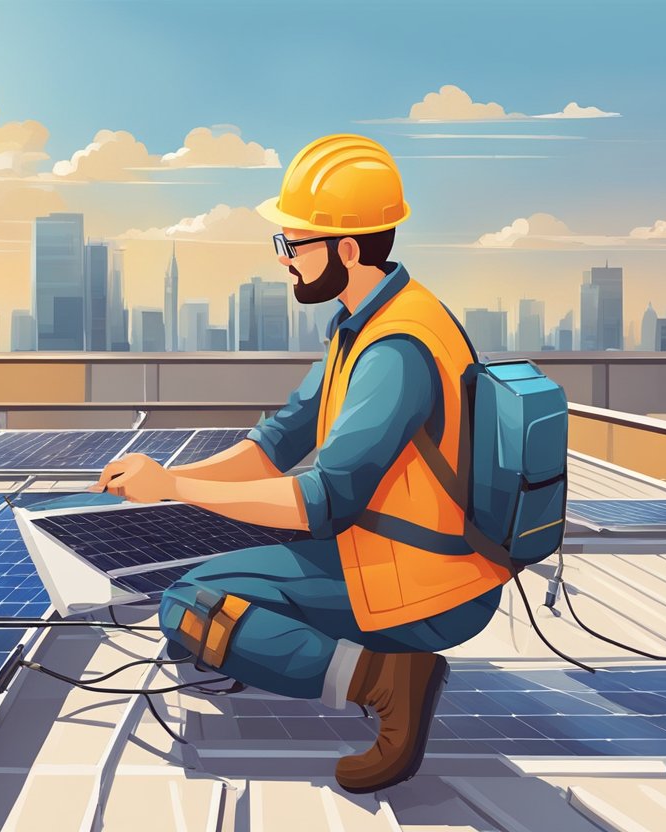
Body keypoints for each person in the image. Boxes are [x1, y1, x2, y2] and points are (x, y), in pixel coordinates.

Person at [88, 134, 511, 794]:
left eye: (292, 245)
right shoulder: (363, 325)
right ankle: (279, 649)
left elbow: (326, 498)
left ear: (347, 250)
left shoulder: (395, 352)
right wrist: (170, 489)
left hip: (429, 582)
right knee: (213, 597)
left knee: (189, 603)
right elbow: (276, 444)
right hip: (395, 555)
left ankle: (390, 683)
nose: (281, 260)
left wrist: (175, 485)